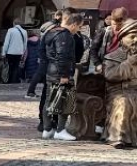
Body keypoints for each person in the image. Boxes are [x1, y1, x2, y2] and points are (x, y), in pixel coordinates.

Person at [42, 11, 83, 141]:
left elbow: (42, 53)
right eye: (79, 26)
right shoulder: (65, 36)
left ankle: (47, 129)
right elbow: (63, 55)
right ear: (74, 24)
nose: (78, 29)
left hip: (51, 70)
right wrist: (64, 74)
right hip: (61, 72)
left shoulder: (51, 32)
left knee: (49, 99)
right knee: (65, 100)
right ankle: (60, 130)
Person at [101, 19, 137, 148]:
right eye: (132, 36)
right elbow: (110, 75)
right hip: (119, 92)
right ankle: (118, 136)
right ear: (122, 39)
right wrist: (129, 63)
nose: (136, 40)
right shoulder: (112, 57)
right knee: (124, 102)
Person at [26, 11, 62, 99]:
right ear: (57, 16)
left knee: (43, 73)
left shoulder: (47, 25)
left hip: (43, 51)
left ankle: (36, 92)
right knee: (40, 73)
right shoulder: (54, 26)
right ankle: (30, 92)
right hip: (46, 52)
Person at [90, 8, 128, 74]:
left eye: (119, 25)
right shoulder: (103, 32)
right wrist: (97, 64)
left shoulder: (128, 35)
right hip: (103, 66)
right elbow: (93, 49)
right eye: (114, 24)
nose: (115, 28)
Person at [1, 18, 28, 84]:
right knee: (16, 67)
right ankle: (14, 81)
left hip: (10, 52)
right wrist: (23, 53)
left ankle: (9, 81)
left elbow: (6, 42)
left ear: (14, 23)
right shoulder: (24, 32)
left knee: (9, 67)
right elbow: (25, 44)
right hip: (19, 53)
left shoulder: (10, 30)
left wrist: (3, 53)